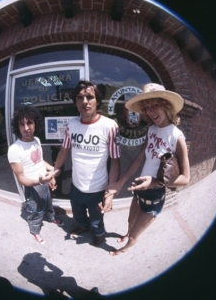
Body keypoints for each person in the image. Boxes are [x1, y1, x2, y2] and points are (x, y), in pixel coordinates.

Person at [105, 83, 190, 256]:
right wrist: (120, 182)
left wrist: (155, 181)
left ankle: (125, 248)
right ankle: (127, 233)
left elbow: (185, 178)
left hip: (155, 195)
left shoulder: (176, 136)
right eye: (147, 107)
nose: (151, 111)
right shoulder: (152, 130)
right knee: (130, 221)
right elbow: (139, 159)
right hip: (139, 188)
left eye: (155, 105)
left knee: (135, 234)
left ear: (165, 105)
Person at [53, 80, 121, 247]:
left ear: (97, 100)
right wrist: (54, 172)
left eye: (89, 97)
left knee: (97, 219)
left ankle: (99, 234)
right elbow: (64, 151)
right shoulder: (72, 124)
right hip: (76, 186)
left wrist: (110, 192)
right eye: (80, 98)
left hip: (97, 189)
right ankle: (83, 226)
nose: (85, 102)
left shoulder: (110, 126)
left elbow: (115, 161)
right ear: (75, 102)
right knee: (78, 214)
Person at [7, 105, 63, 244]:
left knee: (49, 204)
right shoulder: (14, 149)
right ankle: (35, 231)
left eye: (29, 123)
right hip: (32, 187)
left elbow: (39, 160)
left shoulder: (36, 140)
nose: (26, 128)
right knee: (35, 212)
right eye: (22, 124)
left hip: (43, 182)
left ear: (35, 123)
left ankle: (51, 218)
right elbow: (21, 178)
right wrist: (39, 182)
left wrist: (52, 171)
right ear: (17, 127)